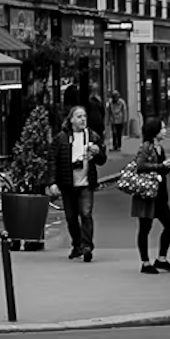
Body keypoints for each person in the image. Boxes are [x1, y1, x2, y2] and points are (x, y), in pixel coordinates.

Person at [49, 105, 105, 262]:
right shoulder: (61, 138)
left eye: (84, 116)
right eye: (79, 116)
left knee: (86, 214)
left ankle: (87, 247)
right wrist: (53, 182)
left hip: (86, 183)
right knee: (71, 218)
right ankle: (77, 244)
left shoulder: (92, 136)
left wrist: (97, 152)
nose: (83, 119)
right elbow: (53, 160)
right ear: (71, 119)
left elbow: (102, 159)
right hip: (68, 183)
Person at [130, 120, 170, 275]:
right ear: (154, 131)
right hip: (147, 194)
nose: (165, 130)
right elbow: (140, 165)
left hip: (159, 195)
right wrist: (160, 167)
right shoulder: (146, 147)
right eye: (162, 128)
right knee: (145, 228)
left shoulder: (159, 147)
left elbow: (160, 168)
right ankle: (145, 262)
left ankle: (161, 259)